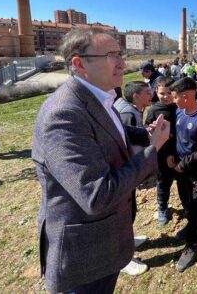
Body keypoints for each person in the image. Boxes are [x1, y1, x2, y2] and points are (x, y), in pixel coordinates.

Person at [32, 28, 170, 293]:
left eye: (120, 54)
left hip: (106, 243)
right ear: (79, 63)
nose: (122, 63)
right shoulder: (63, 114)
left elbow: (111, 132)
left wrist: (144, 134)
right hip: (84, 259)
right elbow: (96, 196)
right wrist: (152, 149)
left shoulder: (100, 96)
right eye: (110, 55)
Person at [113, 80, 155, 276]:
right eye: (147, 92)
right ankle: (122, 258)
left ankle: (127, 241)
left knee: (130, 208)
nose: (152, 94)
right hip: (123, 173)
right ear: (136, 96)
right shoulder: (128, 113)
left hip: (128, 171)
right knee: (122, 213)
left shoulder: (131, 110)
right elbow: (125, 144)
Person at [167, 77, 197, 272]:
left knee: (195, 206)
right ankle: (194, 226)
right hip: (180, 170)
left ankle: (194, 243)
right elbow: (176, 138)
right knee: (186, 202)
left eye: (175, 97)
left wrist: (183, 165)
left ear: (186, 96)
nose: (173, 100)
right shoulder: (179, 112)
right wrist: (172, 156)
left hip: (196, 174)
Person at [145, 77, 178, 226]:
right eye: (161, 93)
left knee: (183, 180)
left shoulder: (179, 107)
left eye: (169, 93)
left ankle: (189, 206)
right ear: (156, 92)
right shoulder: (154, 109)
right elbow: (147, 130)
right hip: (162, 154)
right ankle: (162, 208)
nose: (165, 96)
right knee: (164, 182)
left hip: (179, 152)